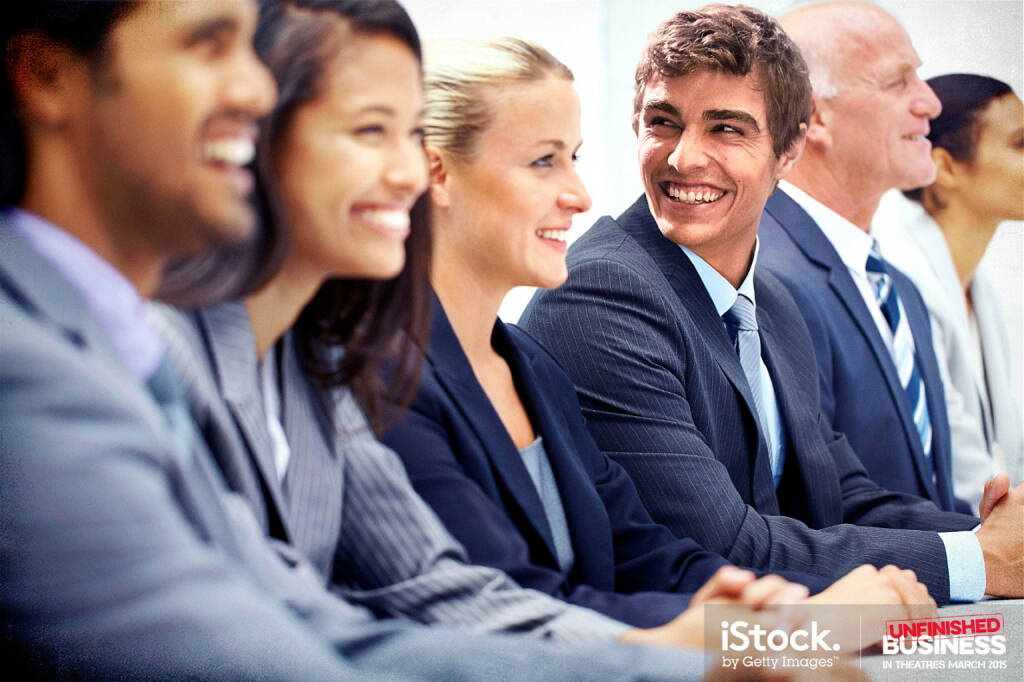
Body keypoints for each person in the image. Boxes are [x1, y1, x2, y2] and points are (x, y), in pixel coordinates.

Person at [0, 1, 734, 678]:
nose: (249, 94)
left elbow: (391, 603)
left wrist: (771, 641)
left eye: (411, 134)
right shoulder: (94, 359)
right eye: (368, 130)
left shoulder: (334, 363)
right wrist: (737, 651)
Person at [377, 33, 943, 635]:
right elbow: (511, 609)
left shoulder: (528, 366)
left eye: (573, 157)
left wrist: (777, 618)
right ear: (435, 172)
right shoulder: (381, 375)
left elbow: (642, 550)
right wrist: (787, 632)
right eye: (544, 160)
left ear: (789, 149)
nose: (580, 194)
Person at [519, 3, 1024, 605]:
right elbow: (724, 550)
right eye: (663, 122)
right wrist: (978, 560)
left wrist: (993, 536)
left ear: (789, 151)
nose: (683, 157)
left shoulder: (773, 304)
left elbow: (845, 496)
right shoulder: (602, 295)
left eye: (726, 128)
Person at [755, 1, 965, 513]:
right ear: (813, 117)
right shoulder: (758, 274)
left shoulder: (899, 288)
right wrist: (984, 549)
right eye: (898, 82)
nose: (932, 103)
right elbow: (816, 505)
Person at [877, 74, 1024, 508]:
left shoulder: (977, 287)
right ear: (945, 168)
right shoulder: (898, 282)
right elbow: (954, 467)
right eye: (1020, 143)